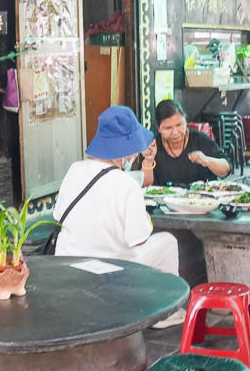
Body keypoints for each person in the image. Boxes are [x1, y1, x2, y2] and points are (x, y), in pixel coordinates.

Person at [54, 105, 184, 326]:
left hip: (67, 269)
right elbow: (139, 238)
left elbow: (58, 215)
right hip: (109, 273)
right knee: (168, 242)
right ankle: (165, 315)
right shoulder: (125, 184)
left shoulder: (74, 169)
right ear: (127, 151)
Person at [140, 99, 231, 187]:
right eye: (168, 128)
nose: (175, 132)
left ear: (186, 121)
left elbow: (226, 170)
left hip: (201, 200)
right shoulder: (153, 147)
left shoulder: (200, 140)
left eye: (179, 125)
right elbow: (146, 186)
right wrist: (149, 160)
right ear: (159, 128)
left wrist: (206, 160)